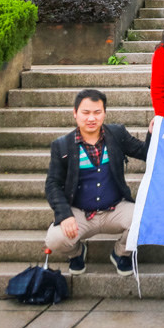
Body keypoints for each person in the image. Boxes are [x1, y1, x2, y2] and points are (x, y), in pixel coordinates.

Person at [44, 89, 147, 277]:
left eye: (97, 112)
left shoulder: (117, 134)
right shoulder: (62, 145)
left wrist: (153, 132)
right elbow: (52, 184)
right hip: (80, 213)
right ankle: (77, 253)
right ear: (75, 113)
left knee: (146, 221)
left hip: (115, 209)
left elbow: (145, 152)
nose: (91, 118)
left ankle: (121, 253)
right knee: (54, 239)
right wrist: (64, 214)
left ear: (104, 113)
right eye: (85, 112)